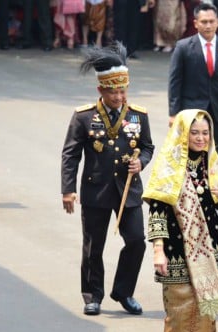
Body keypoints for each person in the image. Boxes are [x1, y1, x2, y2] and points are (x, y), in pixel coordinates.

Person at [61, 42, 155, 316]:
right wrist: (67, 190)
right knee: (93, 246)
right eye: (113, 90)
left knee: (137, 240)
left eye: (123, 89)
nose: (118, 95)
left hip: (128, 189)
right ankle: (93, 295)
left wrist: (142, 162)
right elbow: (70, 155)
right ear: (101, 90)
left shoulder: (138, 115)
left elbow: (148, 146)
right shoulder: (84, 117)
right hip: (96, 189)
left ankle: (123, 292)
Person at [142, 109, 218, 332]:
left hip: (210, 247)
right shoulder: (168, 166)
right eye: (194, 132)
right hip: (176, 248)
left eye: (205, 133)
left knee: (208, 302)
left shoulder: (212, 163)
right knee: (180, 305)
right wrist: (158, 251)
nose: (200, 138)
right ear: (183, 133)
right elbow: (157, 212)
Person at [168, 1, 218, 155]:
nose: (208, 26)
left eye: (211, 21)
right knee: (191, 157)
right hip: (191, 111)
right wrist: (173, 113)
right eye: (204, 22)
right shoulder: (183, 47)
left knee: (215, 156)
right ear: (196, 23)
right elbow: (175, 82)